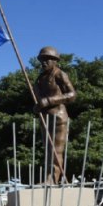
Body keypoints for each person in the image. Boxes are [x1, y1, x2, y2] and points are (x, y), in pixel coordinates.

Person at [33, 46, 76, 185]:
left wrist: (49, 101)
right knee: (48, 150)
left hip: (58, 116)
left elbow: (72, 95)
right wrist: (38, 106)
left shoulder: (59, 74)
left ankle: (52, 178)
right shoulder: (40, 78)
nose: (44, 63)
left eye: (47, 59)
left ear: (55, 61)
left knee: (56, 150)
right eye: (42, 60)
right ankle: (49, 178)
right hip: (45, 117)